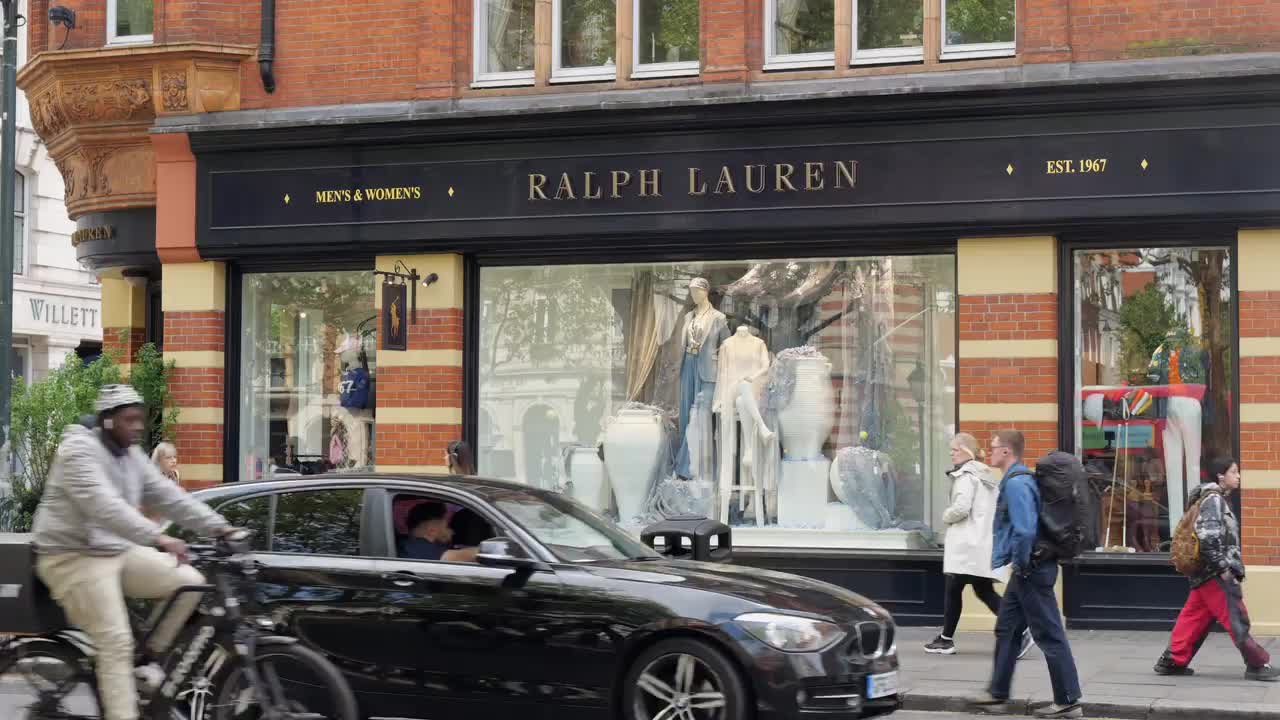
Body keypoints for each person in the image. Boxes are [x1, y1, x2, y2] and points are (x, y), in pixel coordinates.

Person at [32, 385, 238, 720]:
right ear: (107, 421)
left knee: (189, 582)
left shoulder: (131, 455)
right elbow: (104, 506)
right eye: (129, 419)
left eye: (140, 419)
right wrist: (158, 538)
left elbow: (168, 496)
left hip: (114, 550)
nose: (138, 426)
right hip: (71, 557)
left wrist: (221, 528)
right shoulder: (77, 451)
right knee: (115, 642)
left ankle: (146, 663)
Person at [969, 430, 1084, 719]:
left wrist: (1021, 564)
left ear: (1006, 451)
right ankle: (997, 694)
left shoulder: (1016, 484)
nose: (989, 452)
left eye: (993, 446)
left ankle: (1068, 701)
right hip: (1027, 570)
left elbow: (1024, 530)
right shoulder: (1017, 480)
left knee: (1049, 634)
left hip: (1030, 570)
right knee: (1007, 629)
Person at [1154, 457, 1278, 681]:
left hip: (1203, 573)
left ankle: (1172, 661)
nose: (1238, 476)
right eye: (1234, 472)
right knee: (1236, 617)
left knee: (1193, 617)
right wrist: (1223, 568)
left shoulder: (1209, 498)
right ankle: (1257, 664)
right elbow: (1207, 538)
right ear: (1221, 476)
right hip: (1215, 573)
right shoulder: (1214, 500)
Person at [925, 433, 1009, 655]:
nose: (951, 453)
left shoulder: (965, 476)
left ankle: (1019, 627)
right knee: (981, 590)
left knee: (957, 590)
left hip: (966, 545)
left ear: (966, 451)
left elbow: (961, 508)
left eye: (955, 449)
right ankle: (946, 638)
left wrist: (946, 515)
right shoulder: (986, 475)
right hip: (980, 543)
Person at [400, 502, 478, 562]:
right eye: (447, 526)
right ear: (432, 531)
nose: (452, 532)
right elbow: (464, 556)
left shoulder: (409, 544)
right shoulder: (421, 549)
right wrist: (484, 549)